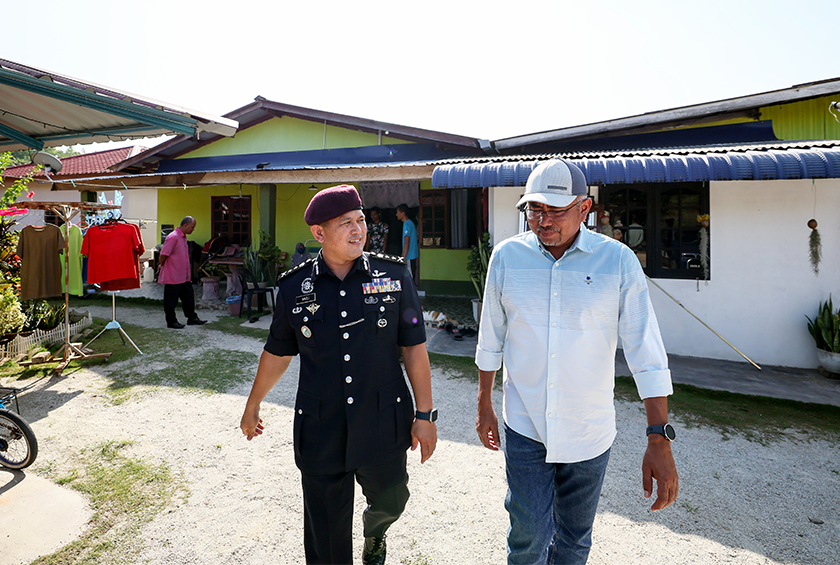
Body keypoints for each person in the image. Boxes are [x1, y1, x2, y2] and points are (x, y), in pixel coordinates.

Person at [474, 159, 678, 565]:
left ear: (585, 208)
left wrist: (658, 437)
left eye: (556, 209)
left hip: (589, 431)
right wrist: (484, 403)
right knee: (528, 536)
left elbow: (645, 349)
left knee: (574, 539)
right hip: (525, 425)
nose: (543, 220)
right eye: (535, 208)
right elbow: (491, 335)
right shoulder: (507, 257)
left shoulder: (617, 262)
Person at [240, 185, 437, 565]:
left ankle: (375, 532)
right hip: (321, 424)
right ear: (319, 233)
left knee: (392, 498)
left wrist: (425, 415)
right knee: (326, 533)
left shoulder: (393, 275)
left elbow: (414, 347)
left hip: (382, 418)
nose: (358, 229)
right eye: (346, 222)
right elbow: (278, 352)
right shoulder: (294, 287)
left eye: (360, 220)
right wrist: (253, 405)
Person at [158, 216, 206, 329]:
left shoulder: (183, 237)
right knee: (171, 300)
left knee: (188, 298)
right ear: (185, 225)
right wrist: (162, 264)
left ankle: (192, 318)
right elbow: (163, 254)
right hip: (173, 275)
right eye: (192, 227)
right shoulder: (173, 237)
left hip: (184, 276)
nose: (193, 229)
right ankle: (171, 321)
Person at [395, 204, 419, 287]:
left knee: (410, 276)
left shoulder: (407, 224)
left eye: (398, 212)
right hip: (412, 255)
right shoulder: (410, 223)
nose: (396, 214)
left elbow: (407, 241)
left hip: (409, 255)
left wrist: (403, 256)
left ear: (403, 213)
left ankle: (412, 292)